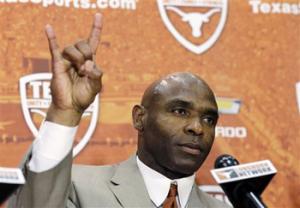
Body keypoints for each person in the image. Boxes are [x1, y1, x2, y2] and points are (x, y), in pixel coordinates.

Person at [9, 13, 231, 208]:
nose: (197, 127)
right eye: (180, 111)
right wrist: (64, 113)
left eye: (209, 119)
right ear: (139, 118)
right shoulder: (76, 187)